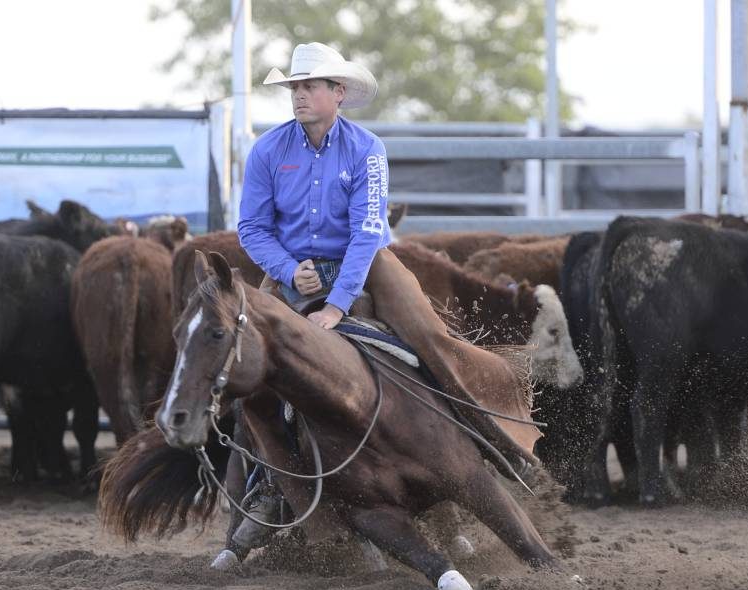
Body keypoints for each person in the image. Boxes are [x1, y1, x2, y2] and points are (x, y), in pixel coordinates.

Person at [226, 42, 542, 552]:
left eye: (310, 86)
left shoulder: (367, 149)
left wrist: (337, 303)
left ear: (339, 93)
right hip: (291, 275)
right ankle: (268, 487)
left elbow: (368, 231)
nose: (299, 96)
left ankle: (483, 441)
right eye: (295, 88)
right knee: (252, 369)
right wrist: (287, 269)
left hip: (365, 269)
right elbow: (252, 227)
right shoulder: (268, 150)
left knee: (428, 342)